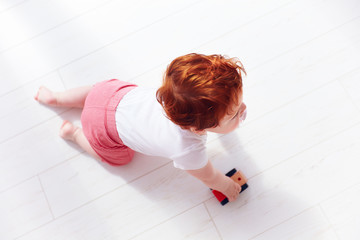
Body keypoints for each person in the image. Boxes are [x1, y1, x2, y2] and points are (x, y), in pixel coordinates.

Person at [34, 53, 247, 202]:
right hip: (102, 131)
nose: (244, 109)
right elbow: (208, 176)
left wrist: (225, 119)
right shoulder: (188, 149)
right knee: (121, 160)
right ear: (199, 129)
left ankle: (58, 97)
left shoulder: (176, 94)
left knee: (93, 93)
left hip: (110, 93)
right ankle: (76, 134)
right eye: (235, 114)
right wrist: (226, 186)